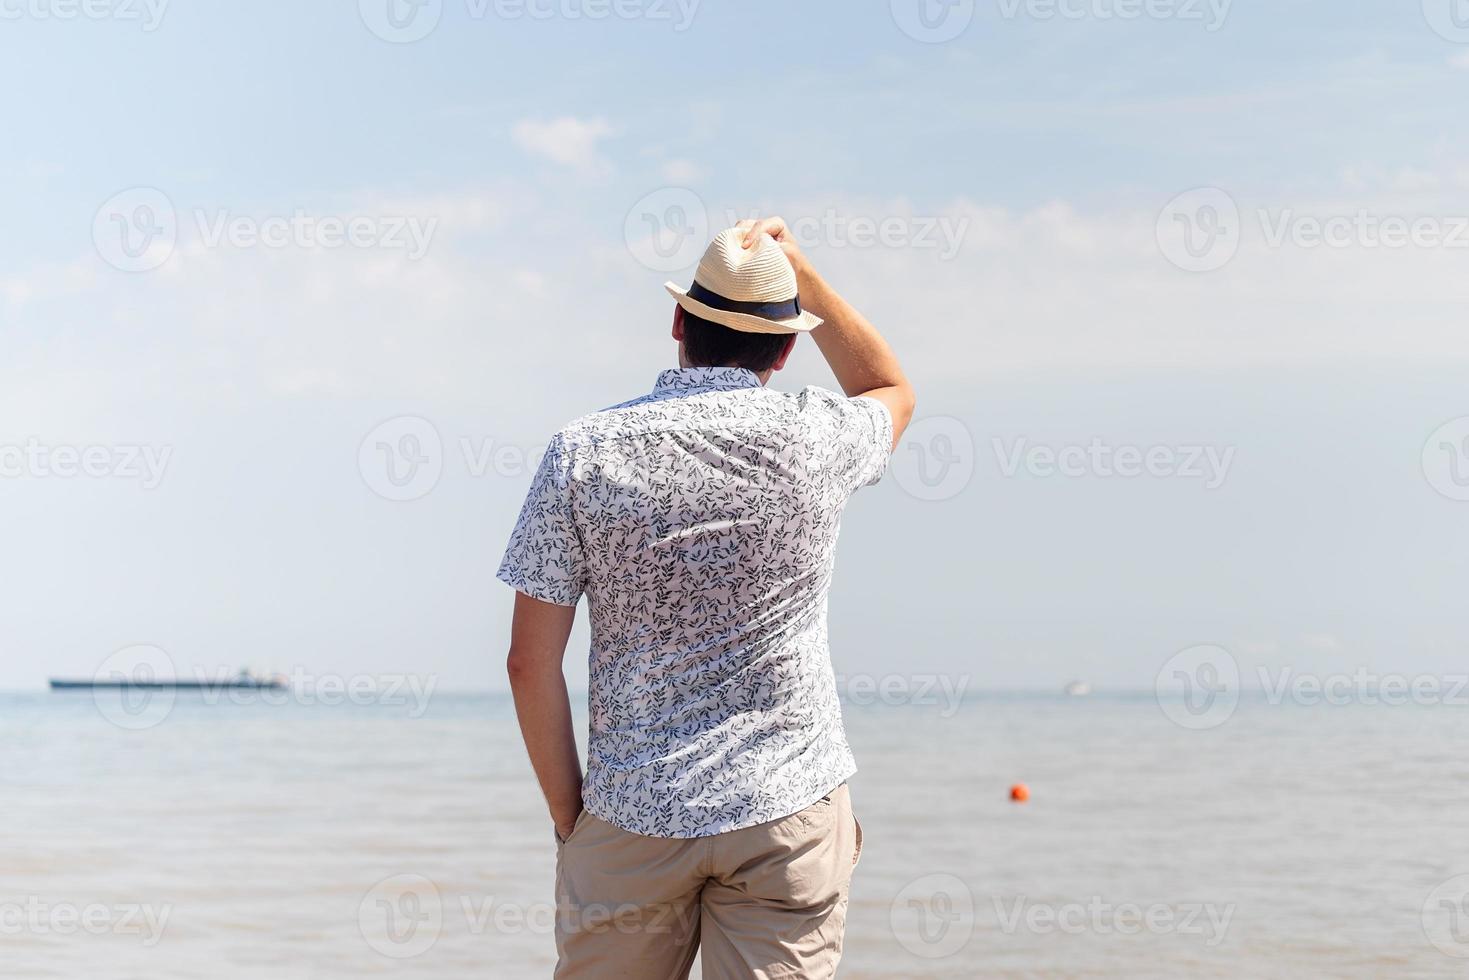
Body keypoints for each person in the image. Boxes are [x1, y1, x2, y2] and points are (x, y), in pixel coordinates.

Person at [500, 216, 915, 978]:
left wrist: (573, 818)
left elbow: (529, 663)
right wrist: (804, 276)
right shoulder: (816, 435)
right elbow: (889, 388)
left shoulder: (583, 451)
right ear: (788, 347)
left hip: (631, 813)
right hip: (784, 807)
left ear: (677, 322)